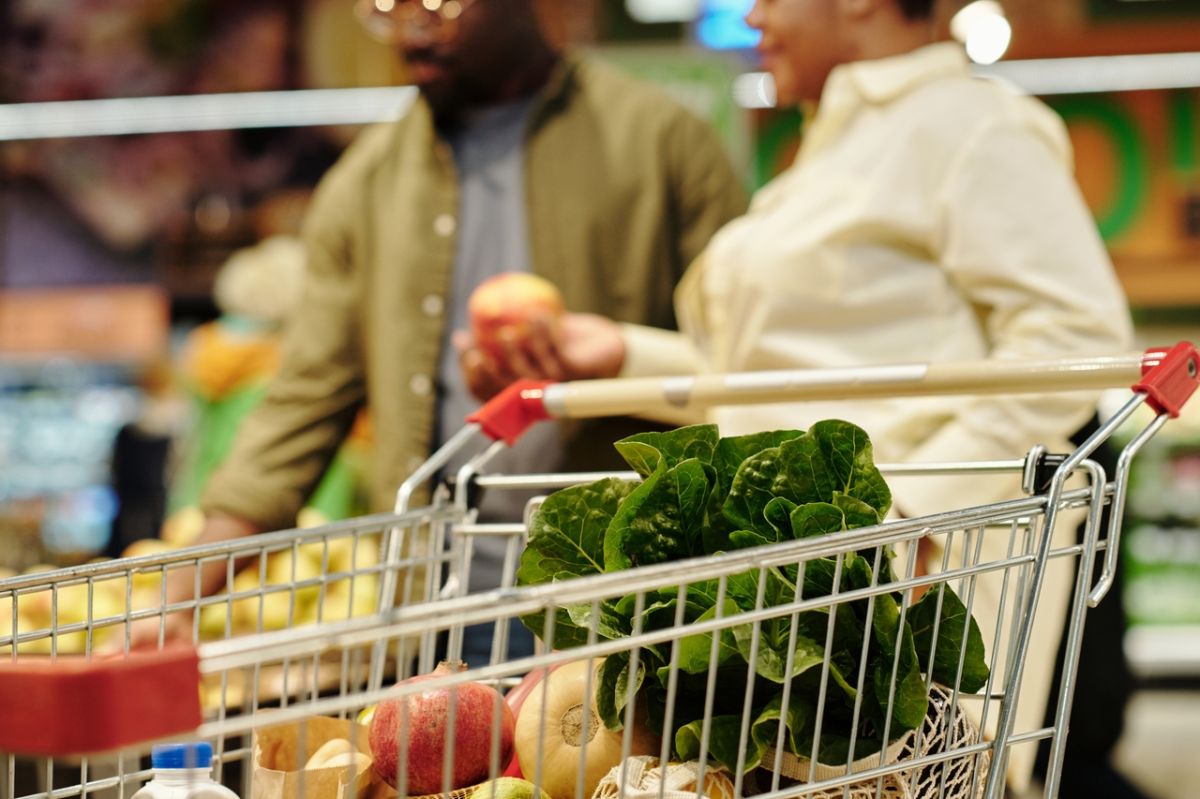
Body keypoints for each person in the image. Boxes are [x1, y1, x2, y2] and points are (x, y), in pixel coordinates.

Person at [459, 0, 1135, 792]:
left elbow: (1075, 342)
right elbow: (790, 389)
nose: (751, 15)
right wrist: (620, 353)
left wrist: (904, 510)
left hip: (895, 634)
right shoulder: (838, 140)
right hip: (792, 616)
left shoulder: (973, 126)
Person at [127, 0, 747, 656]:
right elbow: (300, 406)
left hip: (628, 610)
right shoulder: (365, 186)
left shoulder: (663, 145)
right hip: (437, 615)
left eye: (438, 2)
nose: (410, 25)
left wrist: (616, 359)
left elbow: (744, 367)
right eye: (383, 7)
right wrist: (183, 588)